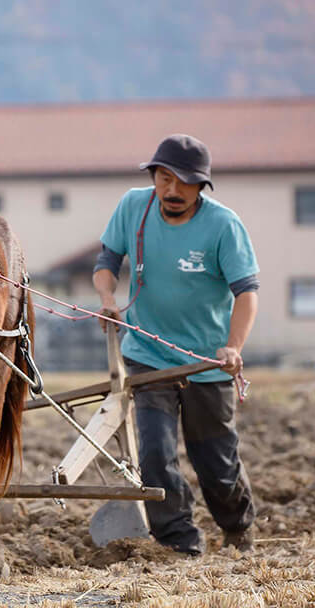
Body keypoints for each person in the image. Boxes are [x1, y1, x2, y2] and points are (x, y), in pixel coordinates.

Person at [92, 134, 259, 555]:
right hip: (148, 355)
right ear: (154, 178)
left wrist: (233, 347)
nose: (172, 190)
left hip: (207, 362)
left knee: (216, 464)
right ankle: (181, 542)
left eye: (184, 182)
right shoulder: (134, 206)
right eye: (164, 178)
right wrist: (108, 300)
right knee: (155, 454)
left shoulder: (223, 225)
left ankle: (238, 528)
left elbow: (246, 293)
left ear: (202, 186)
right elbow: (107, 261)